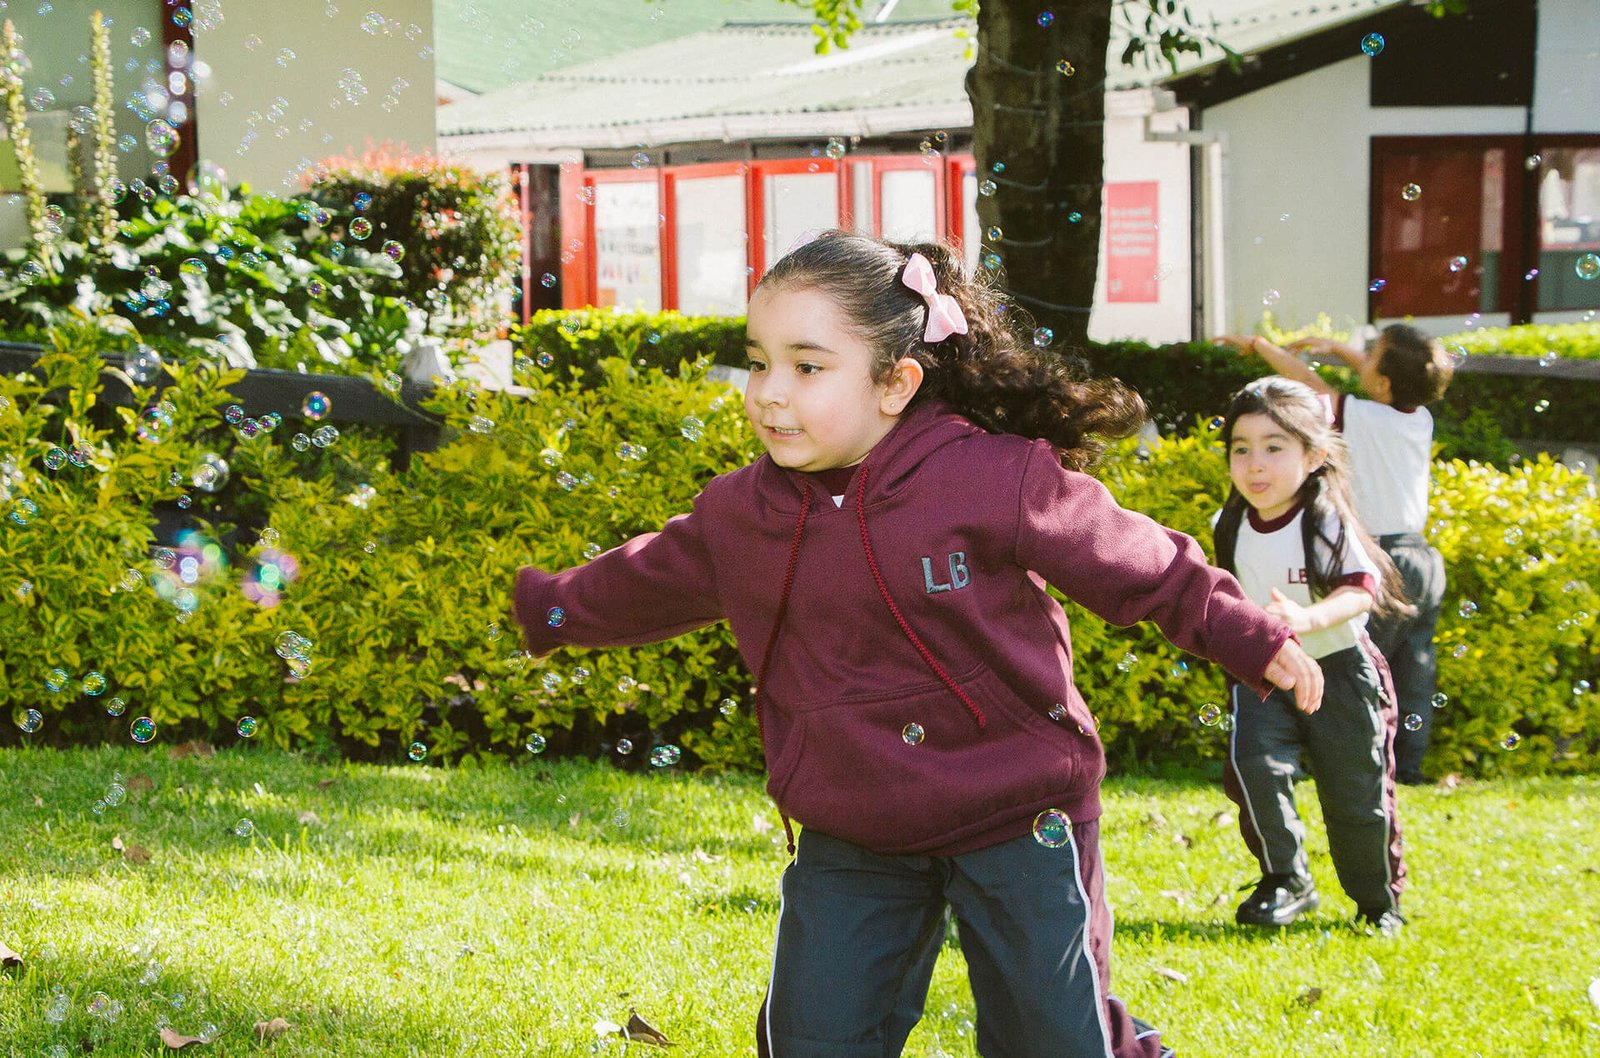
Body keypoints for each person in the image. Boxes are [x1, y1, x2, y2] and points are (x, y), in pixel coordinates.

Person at [514, 231, 1323, 1058]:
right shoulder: (740, 516)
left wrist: (1249, 634)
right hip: (853, 820)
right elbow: (644, 579)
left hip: (1017, 807)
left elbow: (1140, 562)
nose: (768, 393)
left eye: (808, 365)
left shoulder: (994, 477)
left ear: (898, 381)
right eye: (757, 362)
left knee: (1052, 1037)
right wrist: (549, 609)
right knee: (814, 1038)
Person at [1210, 376, 1411, 934]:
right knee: (1255, 768)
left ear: (1315, 455)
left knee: (1356, 796)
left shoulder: (1323, 519)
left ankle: (1377, 904)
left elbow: (1359, 589)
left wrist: (1305, 619)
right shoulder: (1229, 525)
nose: (1255, 465)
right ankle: (1286, 879)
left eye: (1275, 448)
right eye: (1241, 449)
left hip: (1342, 672)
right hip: (1267, 676)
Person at [1218, 326, 1453, 784]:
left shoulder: (1360, 415)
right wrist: (1341, 350)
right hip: (1424, 556)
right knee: (1415, 665)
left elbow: (1313, 388)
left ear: (1383, 384)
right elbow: (1373, 377)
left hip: (1381, 555)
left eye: (1369, 357)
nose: (1358, 359)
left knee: (1357, 665)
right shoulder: (1419, 418)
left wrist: (1260, 346)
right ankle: (1410, 766)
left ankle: (1336, 750)